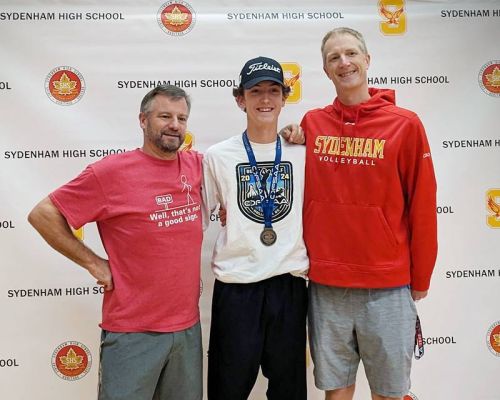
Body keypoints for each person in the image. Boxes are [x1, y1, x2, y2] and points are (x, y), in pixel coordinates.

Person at [27, 85, 203, 400]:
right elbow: (43, 214)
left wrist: (295, 136)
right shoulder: (110, 173)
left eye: (181, 118)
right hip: (132, 332)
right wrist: (94, 263)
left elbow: (242, 160)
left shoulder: (196, 166)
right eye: (165, 116)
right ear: (143, 120)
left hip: (187, 330)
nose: (175, 125)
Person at [300, 28, 437, 400]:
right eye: (333, 58)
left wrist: (420, 277)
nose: (344, 63)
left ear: (367, 59)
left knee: (390, 393)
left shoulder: (405, 125)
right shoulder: (312, 123)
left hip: (387, 285)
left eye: (351, 54)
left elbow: (423, 206)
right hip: (328, 284)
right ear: (326, 70)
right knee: (336, 392)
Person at [203, 56, 309, 400]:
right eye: (256, 91)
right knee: (227, 389)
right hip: (237, 287)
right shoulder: (218, 156)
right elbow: (201, 213)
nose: (265, 99)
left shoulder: (304, 151)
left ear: (284, 98)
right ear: (240, 99)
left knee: (289, 390)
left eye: (273, 91)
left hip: (289, 286)